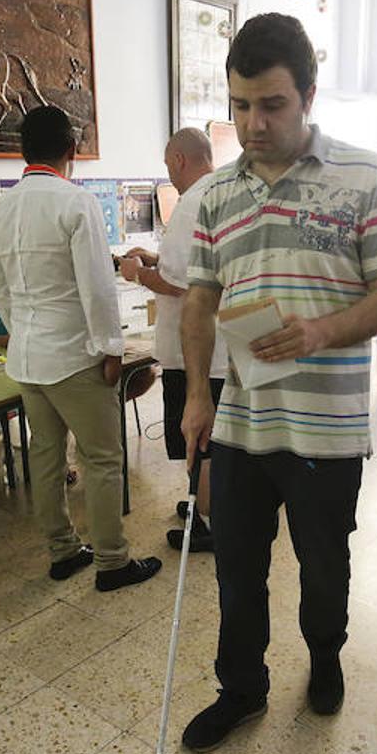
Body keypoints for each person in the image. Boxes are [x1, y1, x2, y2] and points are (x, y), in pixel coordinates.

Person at [177, 13, 377, 751]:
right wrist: (194, 395)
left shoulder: (365, 177)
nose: (253, 123)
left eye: (271, 105)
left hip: (327, 425)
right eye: (240, 106)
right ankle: (241, 689)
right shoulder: (217, 194)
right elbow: (199, 299)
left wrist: (318, 331)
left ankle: (325, 655)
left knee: (324, 562)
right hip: (243, 423)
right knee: (239, 572)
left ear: (308, 95)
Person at [0, 105, 161, 590]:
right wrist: (110, 349)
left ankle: (62, 553)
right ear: (71, 152)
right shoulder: (74, 202)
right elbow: (97, 287)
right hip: (74, 357)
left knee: (45, 456)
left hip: (27, 357)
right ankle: (112, 562)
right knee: (102, 458)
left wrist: (24, 334)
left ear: (23, 151)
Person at [118, 127, 228, 553]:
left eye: (168, 167)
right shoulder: (220, 191)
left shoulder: (190, 203)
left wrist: (137, 274)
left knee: (199, 440)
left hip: (195, 351)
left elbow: (179, 283)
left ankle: (210, 523)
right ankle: (205, 506)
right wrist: (154, 260)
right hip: (219, 347)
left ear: (179, 160)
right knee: (211, 440)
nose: (170, 175)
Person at [0, 274, 80, 486]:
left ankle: (57, 463)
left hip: (37, 357)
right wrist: (16, 339)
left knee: (59, 402)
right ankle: (35, 463)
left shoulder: (37, 282)